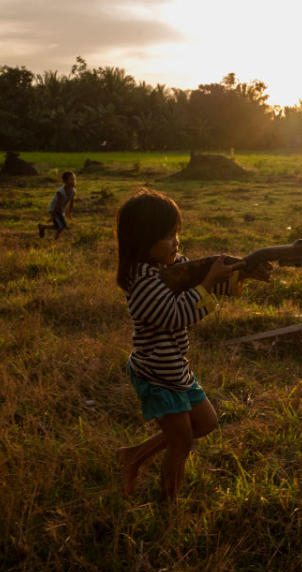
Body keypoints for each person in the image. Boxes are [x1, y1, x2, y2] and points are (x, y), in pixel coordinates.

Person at [114, 189, 270, 501]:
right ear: (143, 242)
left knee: (206, 422)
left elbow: (204, 277)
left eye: (176, 234)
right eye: (168, 236)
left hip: (175, 369)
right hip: (157, 375)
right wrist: (208, 283)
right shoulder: (142, 283)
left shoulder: (169, 268)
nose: (176, 242)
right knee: (181, 443)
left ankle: (132, 455)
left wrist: (244, 272)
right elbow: (177, 314)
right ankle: (169, 507)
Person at [38, 171, 76, 239]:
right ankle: (55, 238)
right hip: (54, 209)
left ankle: (43, 227)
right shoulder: (61, 192)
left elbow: (71, 202)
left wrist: (69, 213)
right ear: (65, 181)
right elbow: (57, 204)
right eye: (71, 179)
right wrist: (52, 216)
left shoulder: (73, 191)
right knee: (61, 226)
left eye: (74, 179)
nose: (73, 181)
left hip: (60, 210)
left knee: (60, 226)